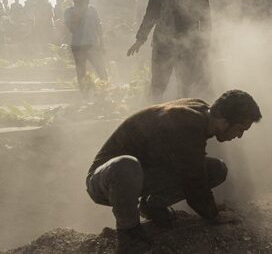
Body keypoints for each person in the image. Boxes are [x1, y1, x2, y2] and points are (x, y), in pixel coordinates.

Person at [86, 91, 262, 254]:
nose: (239, 136)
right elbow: (194, 183)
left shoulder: (201, 112)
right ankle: (129, 233)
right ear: (224, 122)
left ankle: (153, 206)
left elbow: (192, 170)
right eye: (240, 129)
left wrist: (211, 209)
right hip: (106, 180)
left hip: (142, 174)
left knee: (215, 169)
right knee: (126, 165)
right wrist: (213, 214)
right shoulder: (189, 123)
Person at [127, 0, 212, 102]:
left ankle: (184, 116)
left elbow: (206, 19)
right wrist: (140, 39)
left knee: (186, 85)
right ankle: (152, 115)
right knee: (158, 85)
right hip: (163, 43)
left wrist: (205, 43)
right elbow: (151, 14)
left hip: (188, 44)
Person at [64, 0, 108, 92]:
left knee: (101, 68)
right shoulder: (69, 11)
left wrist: (102, 41)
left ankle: (105, 89)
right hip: (78, 46)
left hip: (92, 44)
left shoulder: (92, 10)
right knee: (81, 71)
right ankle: (85, 94)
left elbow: (98, 26)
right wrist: (80, 14)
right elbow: (72, 28)